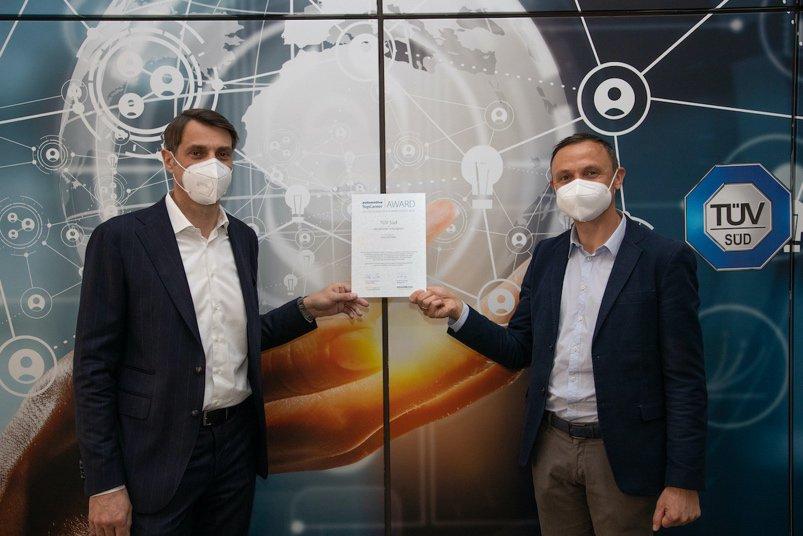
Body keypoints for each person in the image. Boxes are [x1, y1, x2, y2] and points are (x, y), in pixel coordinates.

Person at [72, 108, 369, 535]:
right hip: (158, 452)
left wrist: (308, 307)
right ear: (168, 159)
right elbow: (93, 368)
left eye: (223, 154)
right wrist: (104, 483)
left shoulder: (243, 238)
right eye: (197, 152)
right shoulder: (121, 239)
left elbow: (239, 336)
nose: (212, 165)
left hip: (234, 447)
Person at [410, 132, 707, 536]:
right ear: (553, 186)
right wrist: (459, 312)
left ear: (617, 178)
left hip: (624, 452)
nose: (577, 184)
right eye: (565, 177)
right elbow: (519, 349)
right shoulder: (547, 257)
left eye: (591, 172)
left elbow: (685, 378)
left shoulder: (664, 259)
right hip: (551, 446)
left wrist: (683, 481)